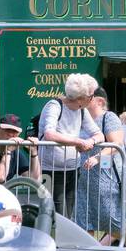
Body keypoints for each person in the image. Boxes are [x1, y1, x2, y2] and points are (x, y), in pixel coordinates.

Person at [37, 73, 100, 220]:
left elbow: (98, 134)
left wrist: (91, 141)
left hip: (73, 168)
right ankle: (52, 241)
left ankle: (62, 242)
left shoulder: (82, 110)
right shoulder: (54, 106)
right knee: (55, 213)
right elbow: (49, 134)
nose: (92, 99)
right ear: (80, 98)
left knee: (68, 212)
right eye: (90, 96)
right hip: (50, 169)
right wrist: (78, 142)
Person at [76, 87, 126, 244]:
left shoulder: (109, 117)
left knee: (116, 225)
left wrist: (97, 158)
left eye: (87, 97)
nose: (82, 101)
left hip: (106, 181)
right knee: (84, 224)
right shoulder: (81, 119)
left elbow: (116, 143)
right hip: (83, 182)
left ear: (100, 101)